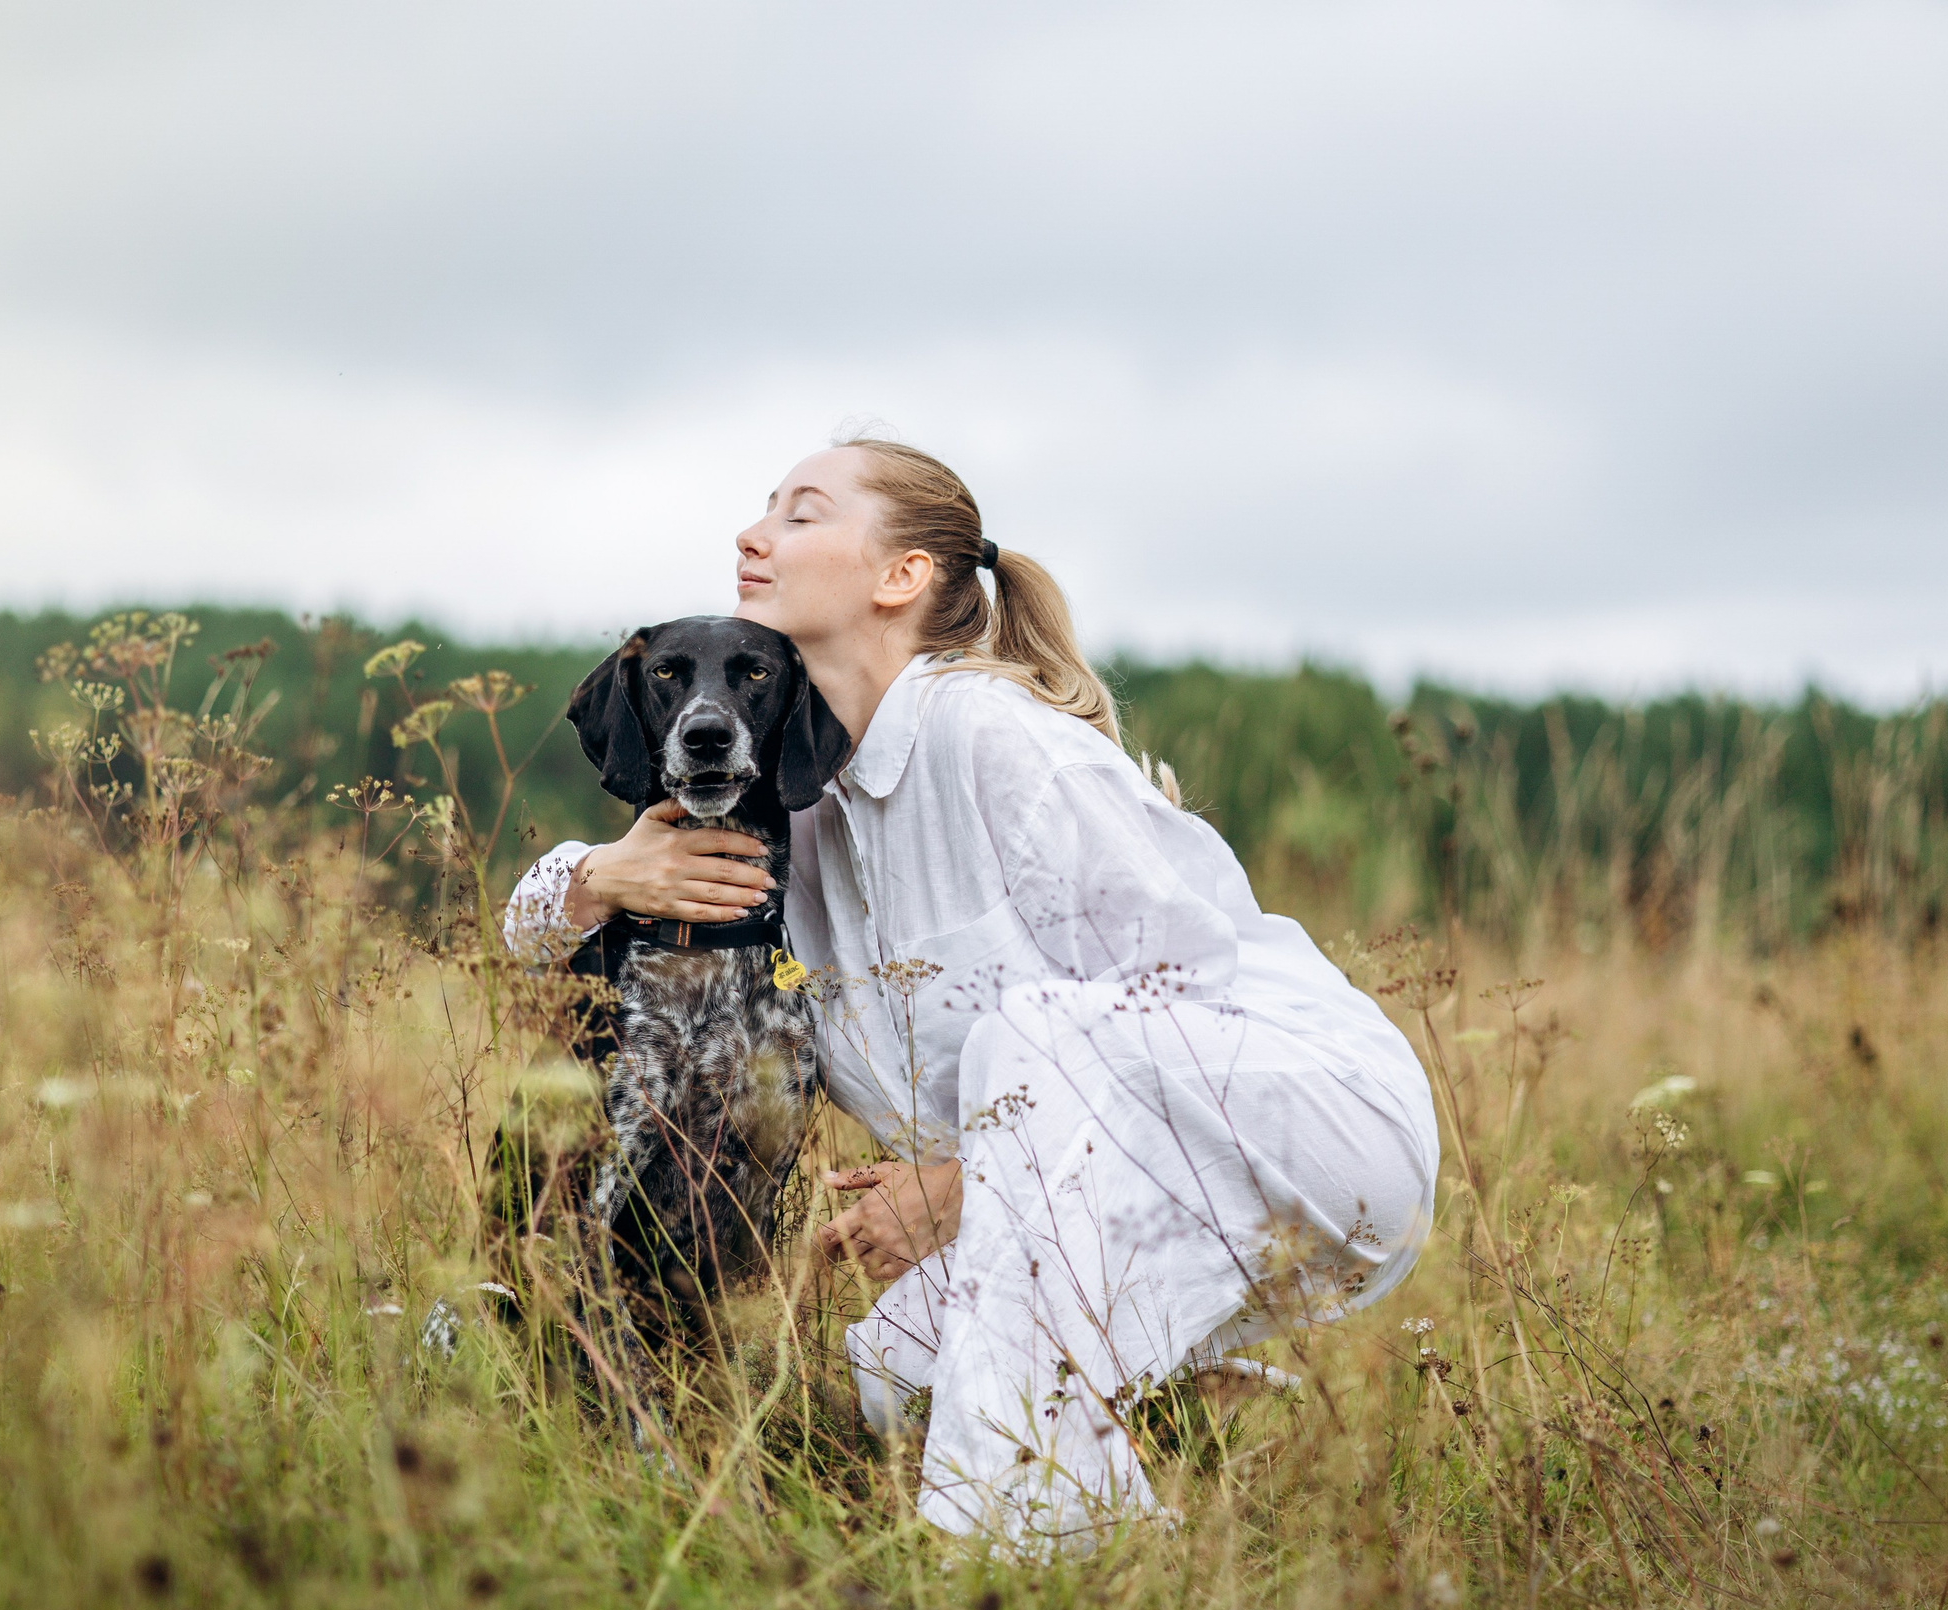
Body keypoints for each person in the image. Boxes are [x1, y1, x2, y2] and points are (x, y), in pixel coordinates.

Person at [504, 438, 1438, 1548]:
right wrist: (600, 874)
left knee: (1026, 1046)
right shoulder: (795, 806)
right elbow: (530, 940)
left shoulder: (994, 736)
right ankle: (1194, 1435)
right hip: (1122, 1197)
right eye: (759, 512)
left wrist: (967, 1177)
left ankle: (1021, 1575)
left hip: (1313, 1132)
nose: (753, 537)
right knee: (883, 1382)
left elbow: (1188, 986)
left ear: (899, 576)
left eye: (800, 515)